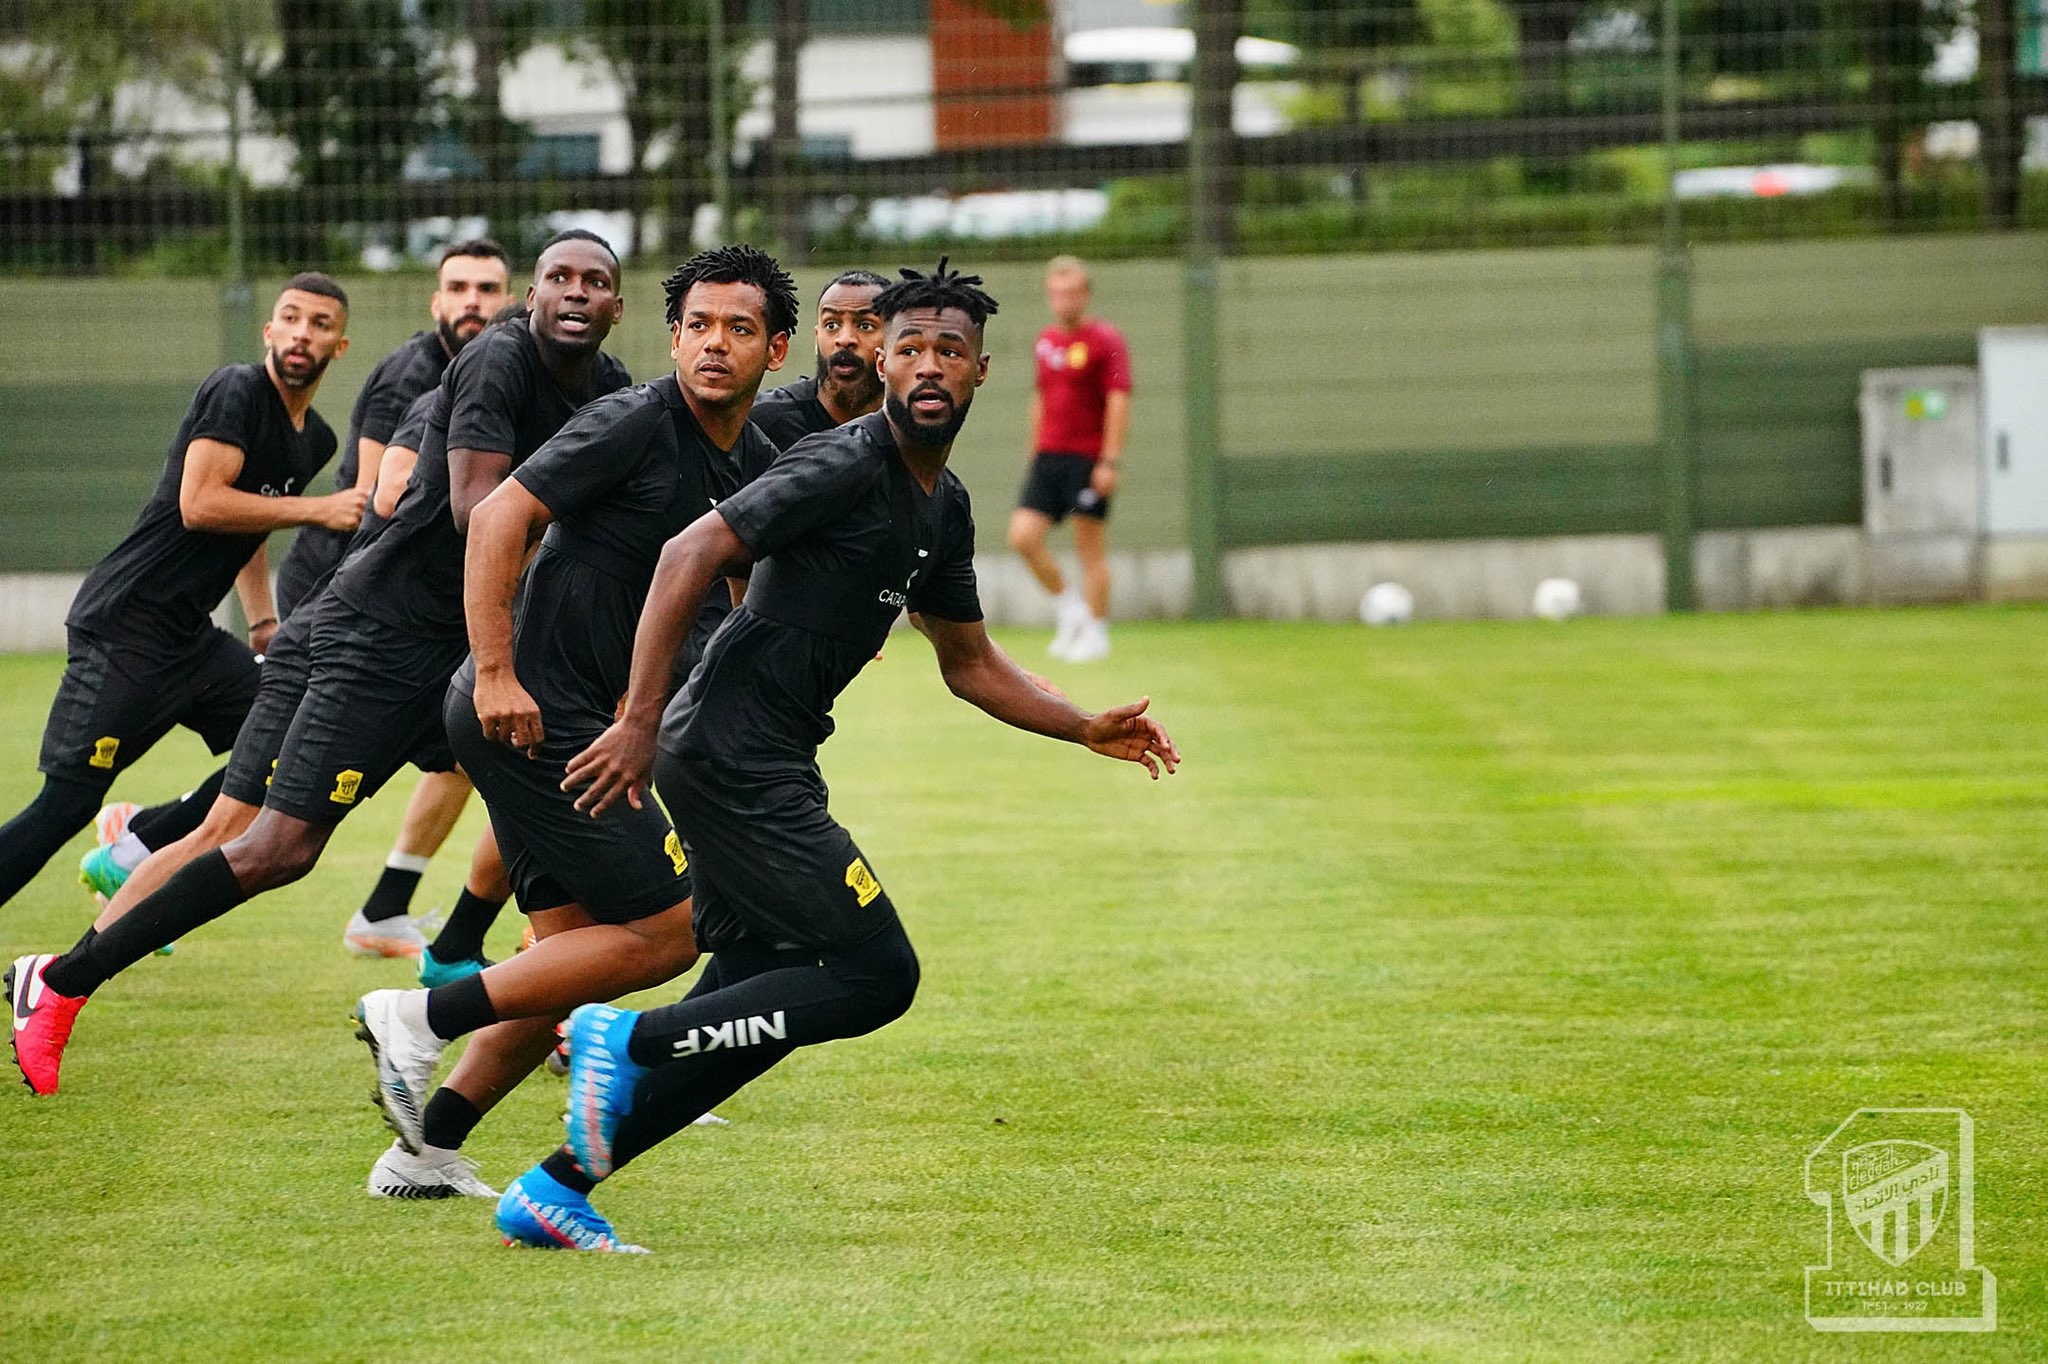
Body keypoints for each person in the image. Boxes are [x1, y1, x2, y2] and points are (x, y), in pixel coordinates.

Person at [488, 259, 1180, 1252]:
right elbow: (689, 551)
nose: (929, 365)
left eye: (949, 350)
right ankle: (624, 1035)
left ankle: (556, 1188)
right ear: (882, 365)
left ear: (981, 371)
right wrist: (639, 718)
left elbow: (968, 658)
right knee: (874, 973)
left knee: (754, 983)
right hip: (729, 754)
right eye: (909, 350)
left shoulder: (940, 504)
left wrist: (1080, 723)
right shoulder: (844, 460)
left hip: (763, 754)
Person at [6, 234, 630, 1098]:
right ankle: (66, 984)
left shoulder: (609, 391)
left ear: (616, 305)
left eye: (595, 281)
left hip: (424, 640)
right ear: (530, 295)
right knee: (275, 847)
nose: (573, 293)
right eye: (556, 277)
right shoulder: (494, 361)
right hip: (381, 641)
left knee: (517, 818)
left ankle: (540, 1009)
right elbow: (469, 507)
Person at [351, 245, 794, 1199]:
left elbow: (749, 597)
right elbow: (498, 516)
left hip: (582, 721)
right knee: (672, 932)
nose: (716, 345)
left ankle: (422, 1151)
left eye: (740, 329)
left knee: (571, 962)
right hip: (532, 714)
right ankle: (420, 1018)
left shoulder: (752, 459)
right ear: (673, 337)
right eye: (699, 327)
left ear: (776, 351)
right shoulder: (631, 421)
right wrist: (500, 672)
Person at [73, 243, 514, 954]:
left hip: (396, 613)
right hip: (350, 598)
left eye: (488, 288)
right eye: (458, 287)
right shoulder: (415, 378)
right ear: (435, 302)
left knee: (456, 756)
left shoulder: (497, 376)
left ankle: (396, 915)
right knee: (262, 812)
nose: (473, 301)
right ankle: (132, 864)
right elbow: (382, 506)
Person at [0, 274, 361, 917]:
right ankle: (121, 843)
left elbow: (258, 517)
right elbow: (202, 504)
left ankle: (136, 848)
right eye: (292, 318)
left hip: (190, 638)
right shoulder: (238, 390)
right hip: (127, 625)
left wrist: (262, 621)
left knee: (287, 738)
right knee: (65, 806)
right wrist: (322, 509)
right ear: (269, 330)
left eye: (321, 324)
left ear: (340, 346)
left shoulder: (315, 439)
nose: (304, 332)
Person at [1006, 255, 1131, 664]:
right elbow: (1040, 397)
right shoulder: (1045, 341)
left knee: (1088, 548)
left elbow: (1118, 401)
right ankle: (1070, 609)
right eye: (1057, 293)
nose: (1065, 301)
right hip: (1048, 456)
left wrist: (1109, 460)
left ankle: (1096, 631)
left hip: (1087, 459)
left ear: (1087, 295)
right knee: (1023, 536)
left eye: (1073, 292)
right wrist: (1033, 449)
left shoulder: (1105, 341)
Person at [748, 268, 888, 452]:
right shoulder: (763, 422)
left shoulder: (911, 430)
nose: (844, 339)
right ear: (816, 339)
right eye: (831, 325)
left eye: (865, 325)